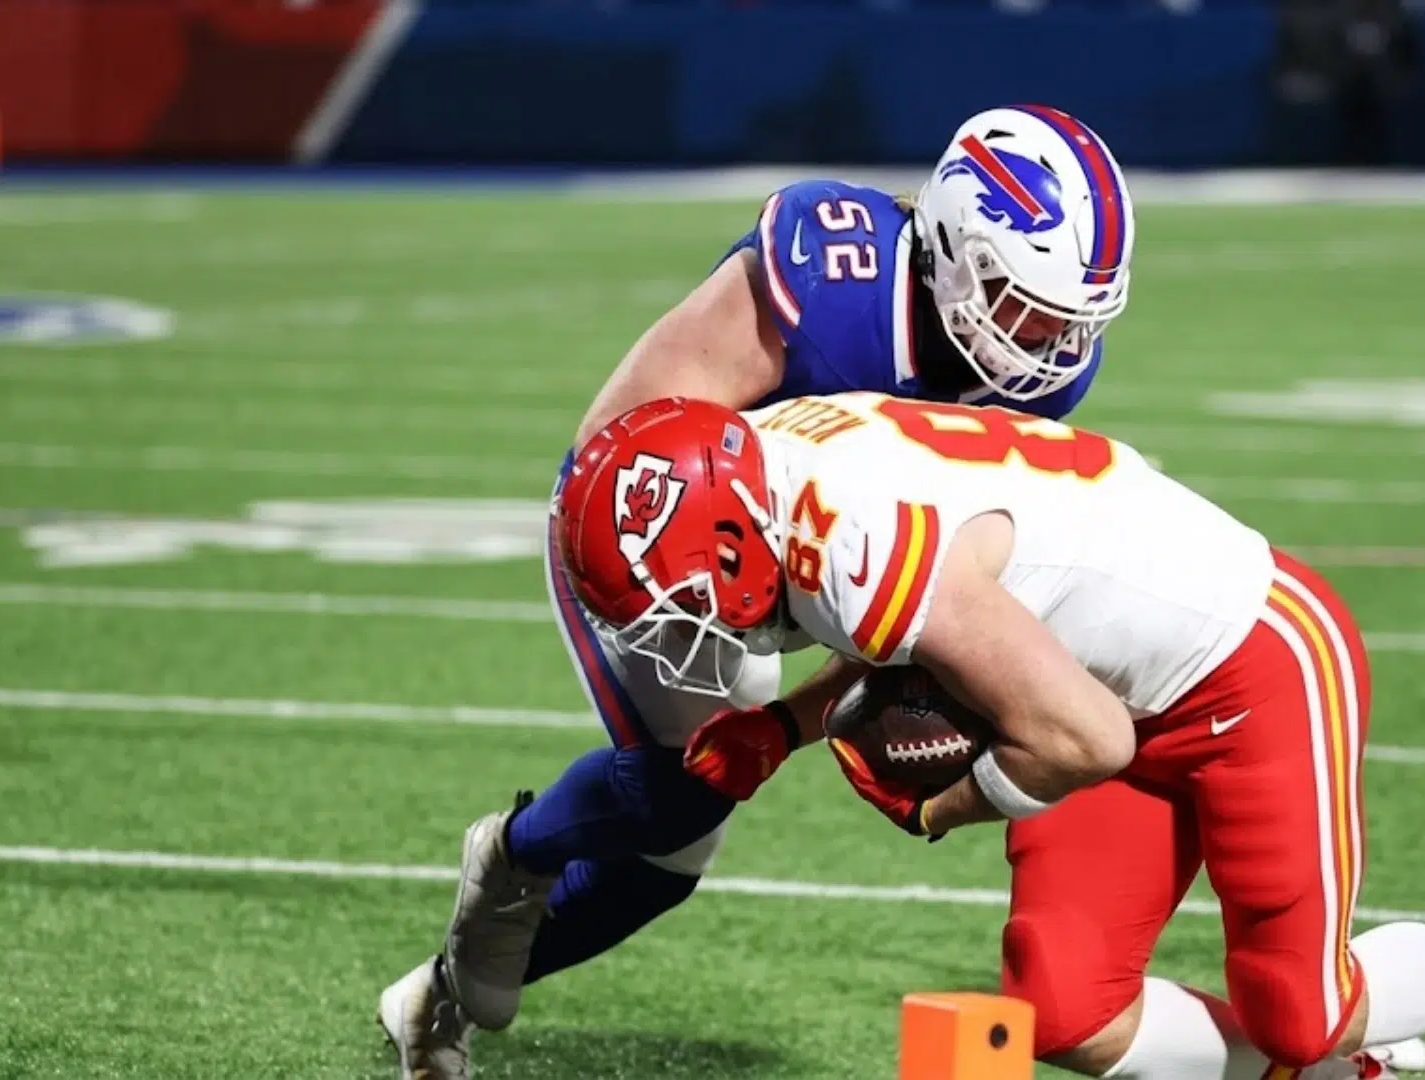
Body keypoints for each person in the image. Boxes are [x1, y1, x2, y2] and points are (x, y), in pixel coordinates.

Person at [558, 392, 1425, 1080]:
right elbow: (949, 613)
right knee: (1065, 1007)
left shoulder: (850, 543)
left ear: (742, 546)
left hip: (1250, 664)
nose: (677, 634)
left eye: (679, 603)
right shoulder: (781, 467)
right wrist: (787, 727)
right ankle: (1343, 1074)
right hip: (1101, 681)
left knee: (1303, 1011)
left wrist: (943, 803)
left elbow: (1082, 743)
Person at [376, 104, 1137, 1079]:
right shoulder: (834, 277)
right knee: (678, 807)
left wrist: (828, 692)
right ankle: (515, 858)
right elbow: (630, 432)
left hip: (796, 566)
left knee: (665, 872)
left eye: (1067, 315)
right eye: (1021, 301)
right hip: (657, 525)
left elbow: (927, 554)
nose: (1045, 342)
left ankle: (437, 996)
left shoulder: (1037, 374)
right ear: (950, 244)